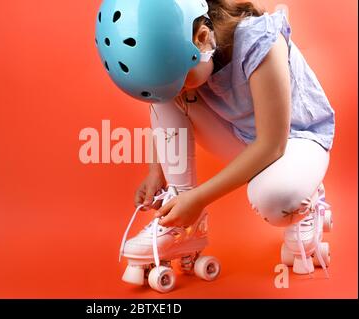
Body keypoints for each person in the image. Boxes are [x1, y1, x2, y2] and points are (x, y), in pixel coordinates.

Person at [96, 0, 335, 282]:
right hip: (243, 139)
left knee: (275, 199)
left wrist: (198, 199)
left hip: (294, 141)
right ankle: (183, 221)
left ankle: (306, 200)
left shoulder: (260, 42)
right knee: (165, 97)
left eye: (182, 81)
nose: (179, 91)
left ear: (202, 38)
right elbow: (164, 100)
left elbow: (273, 145)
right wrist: (155, 172)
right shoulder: (190, 57)